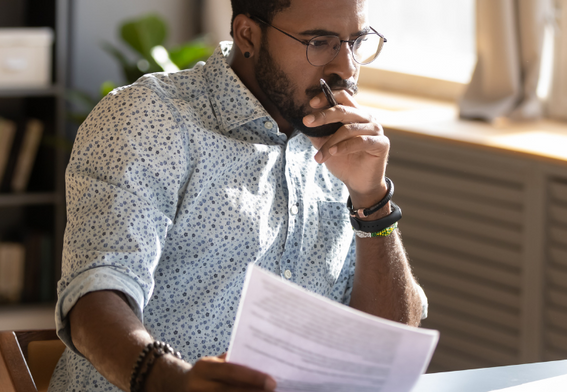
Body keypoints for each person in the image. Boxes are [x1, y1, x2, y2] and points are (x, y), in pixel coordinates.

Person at [49, 0, 427, 391]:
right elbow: (95, 293)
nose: (346, 68)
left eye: (356, 42)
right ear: (248, 34)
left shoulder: (344, 144)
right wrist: (170, 382)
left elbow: (386, 349)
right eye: (319, 42)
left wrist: (371, 199)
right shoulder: (150, 118)